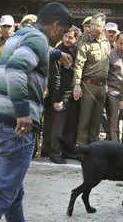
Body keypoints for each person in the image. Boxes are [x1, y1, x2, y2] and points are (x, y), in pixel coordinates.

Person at [0, 2, 73, 222]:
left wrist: (56, 54)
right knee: (1, 196)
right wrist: (23, 113)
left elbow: (32, 51)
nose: (61, 37)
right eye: (63, 32)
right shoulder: (37, 39)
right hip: (15, 128)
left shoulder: (22, 35)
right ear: (55, 25)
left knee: (13, 192)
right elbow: (16, 71)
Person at [43, 26, 81, 164]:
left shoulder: (78, 51)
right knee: (58, 126)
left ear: (76, 39)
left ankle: (67, 151)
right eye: (65, 36)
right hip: (60, 93)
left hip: (74, 93)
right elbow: (56, 77)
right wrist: (57, 99)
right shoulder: (58, 52)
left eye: (70, 37)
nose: (67, 39)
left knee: (71, 125)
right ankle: (55, 152)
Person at [72, 13, 110, 145]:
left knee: (97, 120)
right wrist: (77, 85)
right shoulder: (85, 41)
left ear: (103, 26)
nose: (92, 27)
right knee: (85, 120)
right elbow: (79, 64)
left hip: (102, 86)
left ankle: (94, 149)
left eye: (96, 25)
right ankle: (81, 149)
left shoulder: (106, 42)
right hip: (88, 85)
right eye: (91, 24)